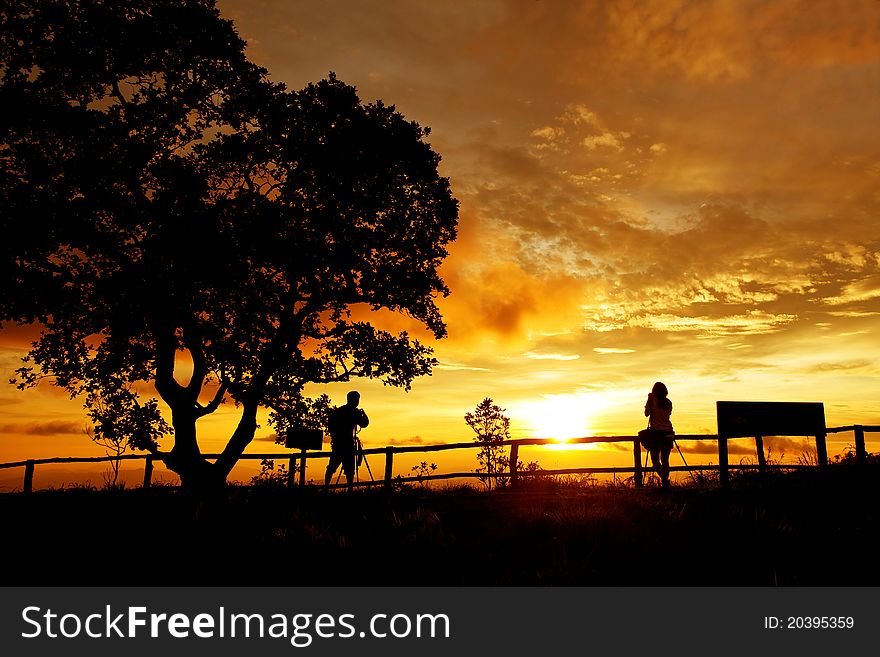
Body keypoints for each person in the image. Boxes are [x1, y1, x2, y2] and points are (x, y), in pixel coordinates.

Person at [324, 391, 369, 492]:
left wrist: (335, 435)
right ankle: (350, 489)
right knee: (349, 469)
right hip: (348, 444)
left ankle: (326, 488)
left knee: (332, 467)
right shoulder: (355, 412)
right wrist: (364, 414)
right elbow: (364, 424)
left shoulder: (338, 411)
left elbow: (330, 426)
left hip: (337, 443)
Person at [641, 381, 675, 489]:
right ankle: (665, 482)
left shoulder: (652, 401)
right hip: (668, 432)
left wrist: (649, 399)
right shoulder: (669, 403)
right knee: (665, 460)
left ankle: (664, 480)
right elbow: (668, 415)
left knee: (655, 460)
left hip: (656, 434)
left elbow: (646, 414)